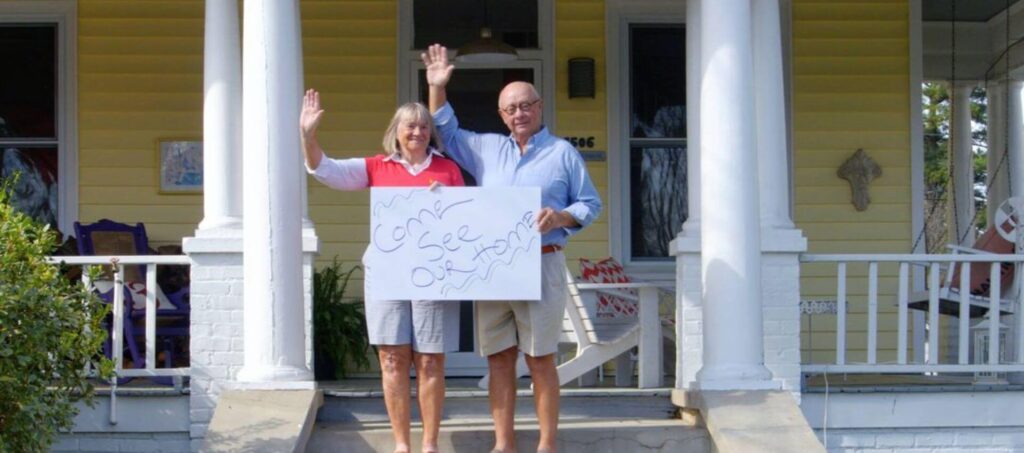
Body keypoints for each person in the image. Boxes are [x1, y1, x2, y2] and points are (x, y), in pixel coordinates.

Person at [422, 44, 603, 453]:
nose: (519, 113)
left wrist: (559, 217)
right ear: (502, 115)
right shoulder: (487, 149)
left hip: (542, 264)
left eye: (526, 105)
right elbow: (445, 130)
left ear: (539, 107)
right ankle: (504, 444)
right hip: (495, 270)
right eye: (511, 109)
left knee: (540, 360)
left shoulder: (563, 153)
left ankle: (546, 445)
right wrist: (436, 87)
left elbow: (590, 203)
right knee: (499, 359)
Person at [300, 89, 463, 453]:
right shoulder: (377, 166)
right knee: (391, 357)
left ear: (431, 132)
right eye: (410, 125)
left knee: (431, 359)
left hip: (433, 274)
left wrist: (447, 202)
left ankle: (431, 445)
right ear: (396, 130)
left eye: (424, 125)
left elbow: (465, 223)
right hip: (387, 273)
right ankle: (402, 444)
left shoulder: (448, 169)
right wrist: (308, 136)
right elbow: (326, 170)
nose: (417, 131)